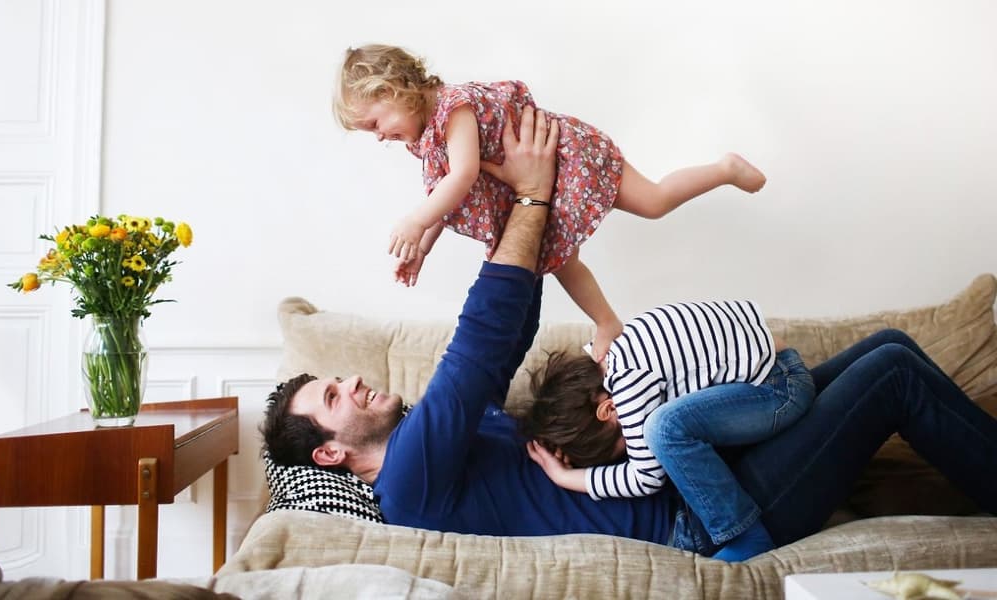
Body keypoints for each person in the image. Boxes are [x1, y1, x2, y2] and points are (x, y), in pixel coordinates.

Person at [261, 106, 997, 557]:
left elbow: (509, 328)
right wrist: (533, 190)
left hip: (707, 465)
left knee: (887, 352)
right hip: (704, 514)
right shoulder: (410, 478)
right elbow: (478, 342)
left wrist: (506, 211)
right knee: (892, 377)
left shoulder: (439, 439)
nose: (352, 382)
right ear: (330, 451)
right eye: (332, 395)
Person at [333, 44, 768, 359]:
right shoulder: (427, 137)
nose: (380, 137)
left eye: (376, 123)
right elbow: (442, 195)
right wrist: (421, 249)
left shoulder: (454, 108)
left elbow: (462, 176)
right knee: (560, 260)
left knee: (652, 201)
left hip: (565, 158)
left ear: (394, 89)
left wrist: (413, 221)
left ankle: (725, 169)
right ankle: (607, 322)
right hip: (538, 184)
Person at [518, 300, 815, 562]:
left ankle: (743, 536)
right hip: (775, 370)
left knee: (661, 430)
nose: (630, 449)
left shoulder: (627, 385)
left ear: (607, 411)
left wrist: (566, 477)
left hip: (778, 390)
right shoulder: (609, 353)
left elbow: (645, 477)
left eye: (619, 446)